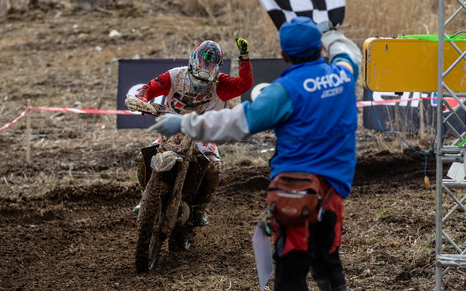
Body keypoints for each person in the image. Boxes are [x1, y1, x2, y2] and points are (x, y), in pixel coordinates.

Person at [151, 17, 361, 291]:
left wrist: (185, 123)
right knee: (329, 263)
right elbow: (350, 53)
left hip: (295, 191)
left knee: (290, 272)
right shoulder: (344, 73)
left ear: (284, 54)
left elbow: (237, 122)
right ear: (319, 47)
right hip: (334, 191)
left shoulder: (285, 91)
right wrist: (332, 35)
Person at [127, 38, 253, 226]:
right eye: (197, 78)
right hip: (173, 129)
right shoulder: (175, 75)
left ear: (216, 69)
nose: (200, 84)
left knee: (214, 167)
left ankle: (200, 209)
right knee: (143, 157)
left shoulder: (221, 82)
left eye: (205, 80)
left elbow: (244, 84)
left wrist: (244, 58)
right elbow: (149, 88)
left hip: (203, 132)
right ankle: (146, 197)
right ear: (192, 63)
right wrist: (142, 101)